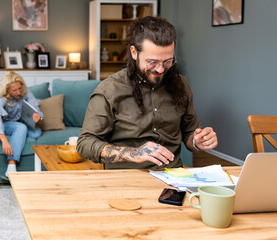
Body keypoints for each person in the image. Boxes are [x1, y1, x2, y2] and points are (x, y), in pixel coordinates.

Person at [77, 16, 218, 169]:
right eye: (152, 62)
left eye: (167, 61)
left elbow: (189, 131)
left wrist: (198, 141)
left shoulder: (181, 85)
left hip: (173, 176)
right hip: (126, 179)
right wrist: (133, 153)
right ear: (134, 52)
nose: (160, 69)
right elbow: (85, 144)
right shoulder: (109, 90)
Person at [0, 71, 43, 180]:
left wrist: (38, 117)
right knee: (21, 128)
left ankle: (19, 135)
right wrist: (4, 140)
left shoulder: (26, 92)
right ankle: (11, 167)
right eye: (14, 90)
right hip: (3, 125)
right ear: (7, 90)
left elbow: (37, 109)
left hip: (19, 124)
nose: (18, 92)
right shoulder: (1, 98)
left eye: (19, 88)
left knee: (36, 133)